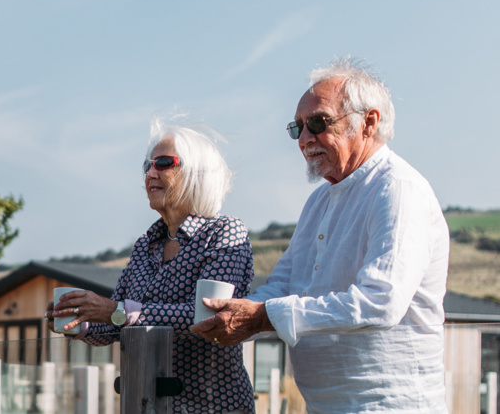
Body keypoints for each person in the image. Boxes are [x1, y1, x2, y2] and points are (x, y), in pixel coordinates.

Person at [191, 58, 450, 412]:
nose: (304, 139)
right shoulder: (319, 201)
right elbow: (283, 285)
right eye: (297, 128)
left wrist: (262, 316)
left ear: (369, 123)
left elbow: (380, 302)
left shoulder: (397, 189)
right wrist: (232, 315)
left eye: (318, 122)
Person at [48, 118, 254, 414]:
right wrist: (78, 320)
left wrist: (116, 311)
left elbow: (207, 317)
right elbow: (117, 323)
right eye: (148, 165)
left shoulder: (225, 232)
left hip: (210, 407)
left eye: (164, 163)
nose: (150, 173)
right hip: (148, 405)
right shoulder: (146, 244)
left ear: (198, 173)